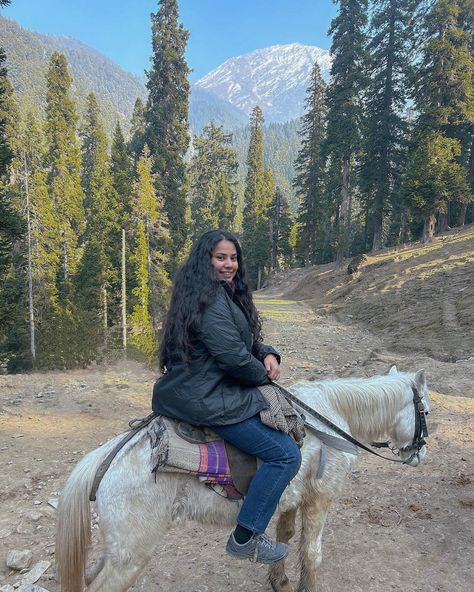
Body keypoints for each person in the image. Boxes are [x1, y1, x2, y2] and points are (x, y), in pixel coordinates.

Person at [152, 229, 301, 564]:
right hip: (206, 397)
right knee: (285, 454)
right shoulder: (213, 302)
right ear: (206, 260)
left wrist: (266, 352)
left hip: (202, 387)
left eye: (233, 258)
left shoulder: (216, 293)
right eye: (221, 257)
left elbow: (241, 344)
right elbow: (234, 357)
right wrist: (263, 377)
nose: (229, 264)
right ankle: (246, 536)